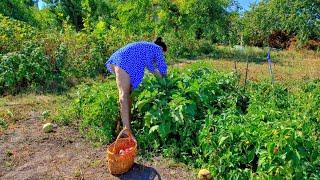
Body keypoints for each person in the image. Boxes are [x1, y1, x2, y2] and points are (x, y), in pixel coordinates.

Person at [105, 37, 168, 141]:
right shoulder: (157, 49)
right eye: (163, 55)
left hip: (123, 60)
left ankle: (123, 125)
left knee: (128, 95)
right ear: (161, 49)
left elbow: (151, 67)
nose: (161, 57)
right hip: (123, 61)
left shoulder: (147, 48)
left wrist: (158, 74)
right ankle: (127, 130)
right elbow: (162, 69)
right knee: (124, 96)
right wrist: (166, 82)